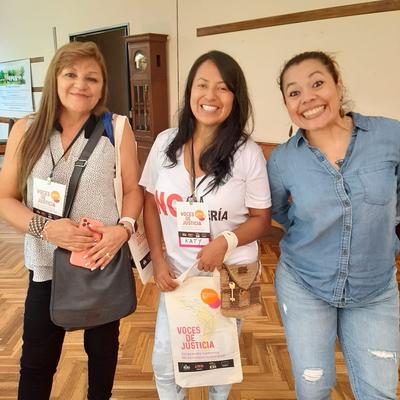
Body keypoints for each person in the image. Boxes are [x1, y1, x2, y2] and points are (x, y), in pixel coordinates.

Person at [0, 41, 143, 400]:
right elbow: (4, 199)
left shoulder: (117, 128)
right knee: (36, 364)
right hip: (46, 268)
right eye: (71, 74)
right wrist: (46, 228)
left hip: (100, 263)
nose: (81, 84)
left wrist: (123, 230)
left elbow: (132, 191)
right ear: (55, 78)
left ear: (102, 86)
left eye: (92, 78)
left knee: (102, 359)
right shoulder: (26, 129)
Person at [267, 51, 400, 399]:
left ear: (338, 86)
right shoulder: (282, 160)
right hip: (305, 284)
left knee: (380, 392)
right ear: (286, 104)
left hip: (374, 289)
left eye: (317, 83)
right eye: (293, 92)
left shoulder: (389, 136)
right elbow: (278, 212)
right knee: (314, 388)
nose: (307, 98)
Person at [140, 50, 271, 399]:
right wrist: (158, 258)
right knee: (165, 365)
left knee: (220, 363)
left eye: (223, 88)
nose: (210, 96)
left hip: (235, 275)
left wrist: (225, 242)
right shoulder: (165, 143)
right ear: (189, 91)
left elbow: (262, 219)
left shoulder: (248, 153)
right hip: (179, 272)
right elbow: (150, 204)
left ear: (235, 98)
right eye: (202, 85)